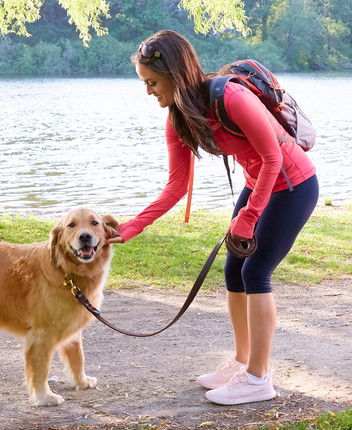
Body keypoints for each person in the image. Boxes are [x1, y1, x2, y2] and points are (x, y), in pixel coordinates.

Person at [107, 30, 319, 405]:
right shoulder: (179, 120)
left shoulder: (230, 96)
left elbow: (272, 158)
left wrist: (249, 216)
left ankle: (258, 378)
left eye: (153, 82)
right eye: (145, 83)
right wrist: (133, 226)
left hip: (292, 183)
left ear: (175, 73)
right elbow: (176, 186)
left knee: (255, 272)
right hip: (259, 184)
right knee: (233, 271)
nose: (149, 92)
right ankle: (243, 361)